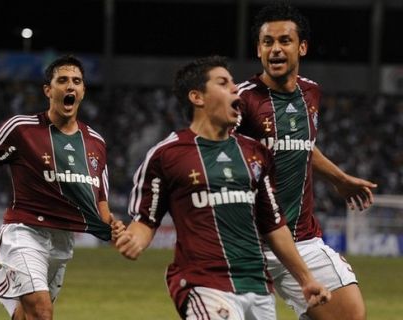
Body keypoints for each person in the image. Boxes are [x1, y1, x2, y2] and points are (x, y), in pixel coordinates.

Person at [113, 56, 330, 320]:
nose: (234, 89)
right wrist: (134, 239)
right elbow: (146, 220)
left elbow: (273, 225)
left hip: (257, 286)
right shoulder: (166, 155)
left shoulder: (255, 153)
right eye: (223, 82)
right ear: (197, 97)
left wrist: (306, 279)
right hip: (203, 283)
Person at [0, 55, 123, 320]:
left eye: (77, 81)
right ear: (48, 90)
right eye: (62, 80)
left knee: (25, 316)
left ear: (83, 90)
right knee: (41, 312)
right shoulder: (22, 129)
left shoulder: (96, 143)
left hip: (63, 239)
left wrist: (115, 227)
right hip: (24, 232)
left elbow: (99, 202)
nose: (70, 86)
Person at [235, 2, 377, 319]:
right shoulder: (240, 101)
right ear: (258, 49)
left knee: (350, 314)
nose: (275, 49)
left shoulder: (310, 93)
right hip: (245, 245)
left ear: (302, 47)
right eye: (267, 42)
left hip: (301, 239)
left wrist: (339, 179)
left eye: (284, 41)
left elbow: (301, 146)